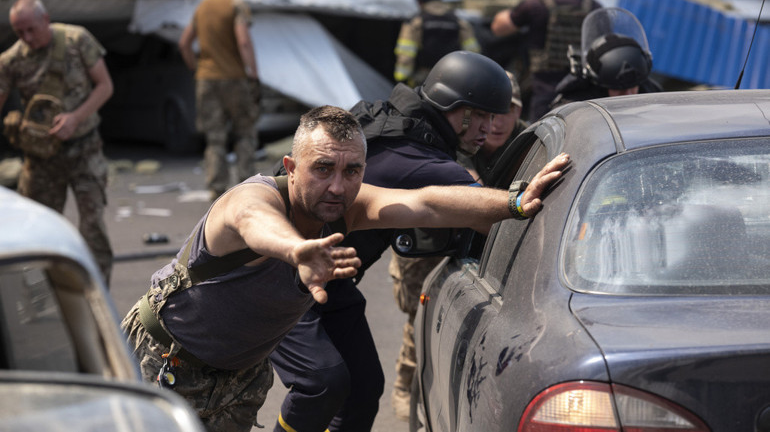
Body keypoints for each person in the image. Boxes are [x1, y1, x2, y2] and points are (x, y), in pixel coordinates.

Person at [121, 104, 569, 432]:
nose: (338, 185)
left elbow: (426, 202)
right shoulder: (251, 198)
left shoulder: (346, 207)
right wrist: (297, 251)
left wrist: (512, 202)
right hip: (165, 363)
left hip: (239, 380)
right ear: (291, 167)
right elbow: (253, 223)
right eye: (323, 169)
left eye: (352, 170)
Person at [270, 51, 521, 430]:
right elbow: (492, 218)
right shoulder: (419, 158)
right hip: (283, 274)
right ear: (454, 108)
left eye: (494, 116)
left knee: (363, 387)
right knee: (322, 383)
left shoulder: (388, 119)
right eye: (481, 115)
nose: (489, 126)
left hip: (331, 280)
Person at [0, 0, 115, 284]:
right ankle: (39, 300)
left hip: (85, 150)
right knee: (36, 233)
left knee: (93, 228)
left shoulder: (78, 41)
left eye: (31, 29)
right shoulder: (12, 60)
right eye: (19, 32)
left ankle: (97, 294)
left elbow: (105, 86)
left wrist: (75, 117)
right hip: (42, 160)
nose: (26, 38)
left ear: (46, 19)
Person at [179, 0, 261, 201]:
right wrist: (253, 73)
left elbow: (185, 43)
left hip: (206, 80)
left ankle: (216, 189)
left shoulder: (202, 7)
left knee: (214, 138)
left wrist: (196, 68)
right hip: (234, 80)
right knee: (244, 132)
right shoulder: (236, 4)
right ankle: (247, 186)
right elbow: (243, 42)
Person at [491, 0, 601, 122]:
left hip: (545, 96)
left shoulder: (535, 5)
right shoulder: (594, 7)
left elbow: (499, 28)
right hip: (584, 97)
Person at [550, 7, 663, 110]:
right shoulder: (574, 107)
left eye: (633, 87)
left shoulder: (651, 93)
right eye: (620, 90)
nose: (629, 95)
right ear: (600, 84)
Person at [393, 0, 481, 86]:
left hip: (424, 78)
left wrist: (401, 80)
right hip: (453, 78)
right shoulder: (458, 21)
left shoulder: (415, 22)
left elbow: (406, 56)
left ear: (420, 1)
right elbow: (473, 53)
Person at [472, 71, 529, 184]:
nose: (498, 123)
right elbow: (469, 188)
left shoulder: (529, 139)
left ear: (518, 112)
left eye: (506, 111)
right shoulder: (463, 135)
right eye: (490, 112)